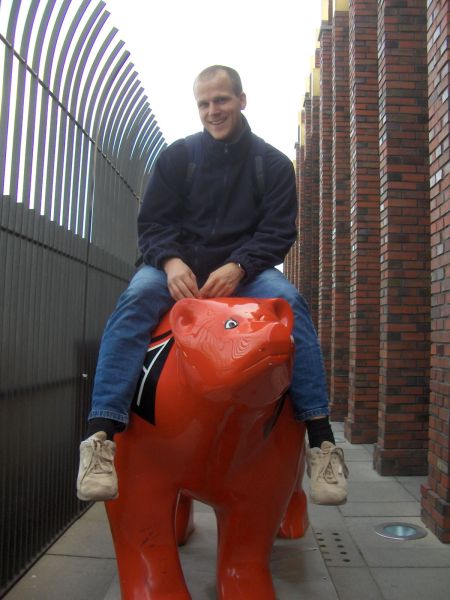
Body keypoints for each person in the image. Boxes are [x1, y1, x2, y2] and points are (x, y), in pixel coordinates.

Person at [77, 65, 348, 506]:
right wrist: (170, 262)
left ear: (242, 100)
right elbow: (152, 224)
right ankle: (100, 437)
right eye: (203, 104)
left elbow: (278, 232)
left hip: (246, 272)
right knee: (134, 300)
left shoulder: (273, 165)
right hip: (176, 268)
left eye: (220, 100)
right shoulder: (177, 158)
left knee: (290, 302)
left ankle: (321, 442)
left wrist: (239, 266)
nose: (212, 111)